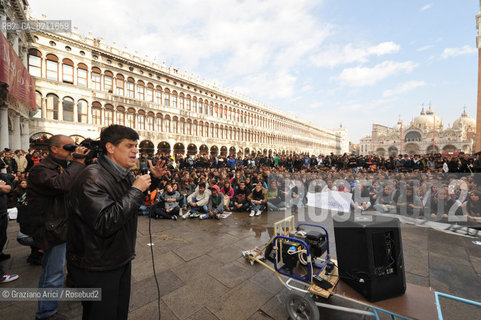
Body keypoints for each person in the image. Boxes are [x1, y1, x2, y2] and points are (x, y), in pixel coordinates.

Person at [66, 125, 167, 320]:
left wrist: (152, 180)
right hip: (97, 264)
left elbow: (128, 203)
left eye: (136, 146)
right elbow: (106, 222)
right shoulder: (91, 178)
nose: (136, 150)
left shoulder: (122, 174)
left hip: (117, 256)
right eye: (129, 145)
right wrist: (136, 190)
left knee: (119, 312)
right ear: (111, 148)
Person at [27, 135, 89, 320]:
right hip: (53, 228)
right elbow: (61, 185)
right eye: (68, 147)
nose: (72, 151)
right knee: (53, 273)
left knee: (71, 263)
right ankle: (45, 314)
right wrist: (78, 162)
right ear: (54, 149)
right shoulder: (40, 170)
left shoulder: (65, 167)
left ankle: (72, 281)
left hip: (67, 225)